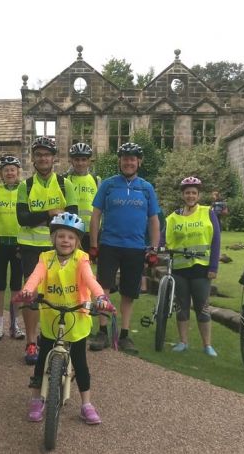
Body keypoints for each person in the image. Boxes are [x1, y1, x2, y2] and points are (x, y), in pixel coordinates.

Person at [19, 213, 112, 425]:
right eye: (61, 236)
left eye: (70, 237)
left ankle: (86, 404)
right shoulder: (45, 258)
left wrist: (100, 297)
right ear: (53, 238)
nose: (65, 241)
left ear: (77, 241)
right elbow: (36, 276)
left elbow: (90, 279)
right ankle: (36, 398)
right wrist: (27, 290)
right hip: (52, 314)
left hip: (76, 315)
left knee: (80, 362)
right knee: (42, 359)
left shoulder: (82, 258)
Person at [88, 142, 160, 354]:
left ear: (139, 162)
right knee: (103, 289)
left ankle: (125, 334)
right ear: (119, 161)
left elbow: (153, 220)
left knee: (130, 292)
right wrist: (93, 244)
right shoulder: (108, 185)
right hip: (110, 244)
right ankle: (102, 331)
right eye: (125, 158)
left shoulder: (146, 188)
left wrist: (154, 248)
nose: (128, 162)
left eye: (132, 158)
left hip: (135, 247)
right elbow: (96, 215)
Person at [16, 137, 78, 364]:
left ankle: (53, 336)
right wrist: (51, 212)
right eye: (39, 154)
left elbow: (72, 217)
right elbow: (22, 219)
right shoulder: (26, 186)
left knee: (57, 293)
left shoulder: (65, 184)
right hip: (31, 247)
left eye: (47, 154)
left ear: (54, 158)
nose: (43, 158)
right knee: (32, 295)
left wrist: (40, 216)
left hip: (57, 248)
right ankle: (31, 342)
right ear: (33, 158)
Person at [163, 177, 220, 356]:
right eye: (187, 192)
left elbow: (216, 240)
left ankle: (207, 345)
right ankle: (183, 342)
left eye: (193, 193)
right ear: (183, 195)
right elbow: (163, 237)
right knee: (182, 305)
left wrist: (213, 267)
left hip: (201, 269)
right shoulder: (174, 216)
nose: (190, 196)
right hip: (180, 268)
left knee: (202, 307)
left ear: (198, 195)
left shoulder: (207, 212)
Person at [0, 155, 24, 341]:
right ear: (1, 173)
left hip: (18, 245)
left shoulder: (24, 189)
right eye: (6, 169)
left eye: (13, 169)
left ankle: (14, 324)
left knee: (17, 286)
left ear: (18, 172)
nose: (10, 172)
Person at [63, 143, 100, 252]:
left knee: (86, 266)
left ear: (89, 161)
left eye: (83, 159)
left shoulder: (96, 180)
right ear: (71, 161)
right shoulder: (64, 179)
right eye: (77, 159)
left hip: (91, 232)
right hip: (70, 230)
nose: (80, 163)